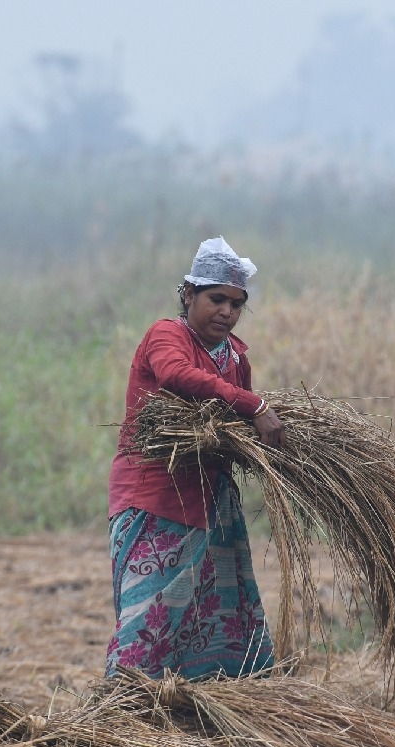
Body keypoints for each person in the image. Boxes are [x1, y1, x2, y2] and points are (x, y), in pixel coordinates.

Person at [105, 236, 284, 680]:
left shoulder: (236, 357)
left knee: (216, 611)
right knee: (149, 616)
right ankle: (124, 709)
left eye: (236, 303)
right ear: (189, 294)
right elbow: (176, 375)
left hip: (209, 501)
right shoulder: (167, 335)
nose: (226, 311)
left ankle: (200, 703)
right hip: (154, 496)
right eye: (216, 298)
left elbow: (234, 425)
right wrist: (256, 406)